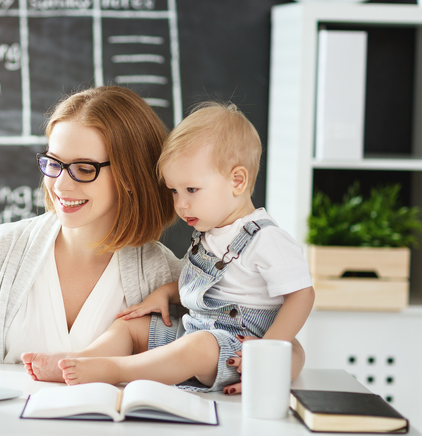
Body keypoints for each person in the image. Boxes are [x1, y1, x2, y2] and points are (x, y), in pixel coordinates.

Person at [21, 101, 315, 393]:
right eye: (174, 191)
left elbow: (302, 295)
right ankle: (81, 359)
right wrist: (165, 293)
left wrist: (267, 354)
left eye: (191, 190)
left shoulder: (266, 239)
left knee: (197, 346)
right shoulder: (209, 234)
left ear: (237, 181)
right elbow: (209, 285)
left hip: (235, 347)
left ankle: (114, 369)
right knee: (131, 328)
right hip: (195, 330)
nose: (180, 204)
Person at [0, 86, 182, 364]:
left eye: (84, 169)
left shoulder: (166, 277)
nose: (60, 185)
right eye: (54, 163)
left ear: (131, 176)